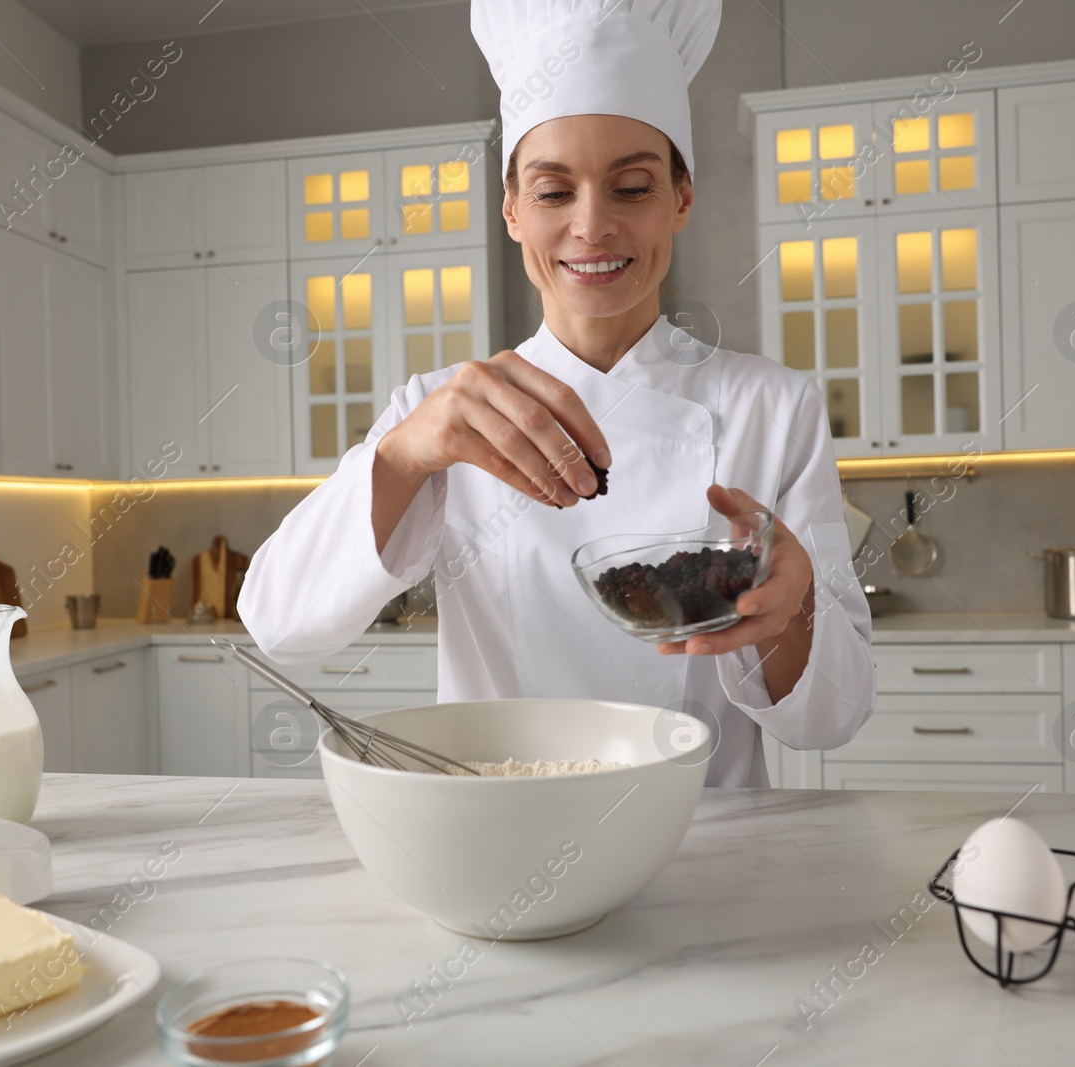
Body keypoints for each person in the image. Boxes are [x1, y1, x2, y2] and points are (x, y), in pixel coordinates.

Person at [239, 0, 875, 787]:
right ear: (511, 210)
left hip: (703, 843)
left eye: (633, 186)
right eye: (551, 192)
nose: (591, 226)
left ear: (682, 197)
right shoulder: (442, 412)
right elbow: (280, 626)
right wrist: (402, 456)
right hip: (497, 835)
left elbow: (832, 720)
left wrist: (794, 606)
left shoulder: (773, 408)